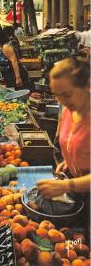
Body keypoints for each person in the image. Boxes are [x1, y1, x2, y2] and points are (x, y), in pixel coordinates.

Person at [37, 55, 90, 198]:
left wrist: (67, 186)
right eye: (56, 95)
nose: (61, 101)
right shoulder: (68, 110)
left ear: (87, 86)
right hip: (79, 192)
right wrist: (70, 162)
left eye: (67, 95)